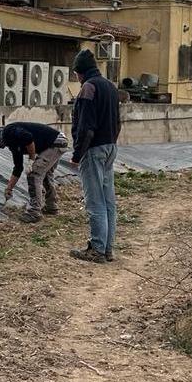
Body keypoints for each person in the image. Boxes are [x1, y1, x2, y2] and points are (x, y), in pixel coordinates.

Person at [68, 49, 121, 263]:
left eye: (76, 74)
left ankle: (97, 249)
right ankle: (107, 249)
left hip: (93, 150)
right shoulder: (110, 87)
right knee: (108, 200)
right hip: (110, 147)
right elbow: (117, 122)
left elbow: (86, 128)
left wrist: (77, 154)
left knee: (94, 200)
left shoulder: (88, 88)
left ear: (79, 72)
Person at [0, 122, 68, 223]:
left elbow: (28, 137)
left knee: (34, 174)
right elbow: (18, 168)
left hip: (54, 143)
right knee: (44, 174)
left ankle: (34, 212)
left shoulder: (8, 132)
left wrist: (31, 160)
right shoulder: (12, 144)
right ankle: (51, 206)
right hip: (57, 142)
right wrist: (9, 188)